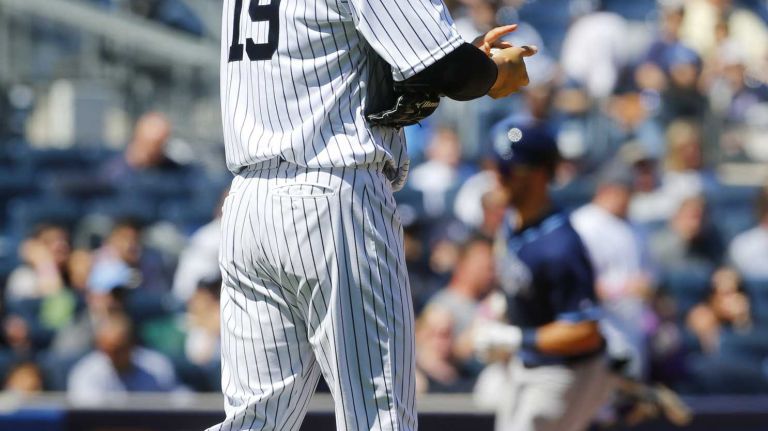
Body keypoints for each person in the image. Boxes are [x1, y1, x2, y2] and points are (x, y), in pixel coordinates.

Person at [212, 0, 537, 428]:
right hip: (331, 193)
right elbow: (445, 68)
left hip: (247, 202)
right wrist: (492, 73)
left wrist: (464, 55)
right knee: (380, 416)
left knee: (253, 421)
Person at [472, 124, 611, 431]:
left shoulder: (561, 246)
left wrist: (514, 338)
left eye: (506, 170)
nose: (496, 178)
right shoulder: (513, 220)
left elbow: (585, 329)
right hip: (529, 362)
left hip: (566, 371)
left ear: (535, 175)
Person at [67, 312, 179, 404]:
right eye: (107, 349)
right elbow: (90, 419)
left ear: (132, 344)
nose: (112, 355)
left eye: (119, 349)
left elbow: (177, 401)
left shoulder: (157, 365)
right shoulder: (86, 373)